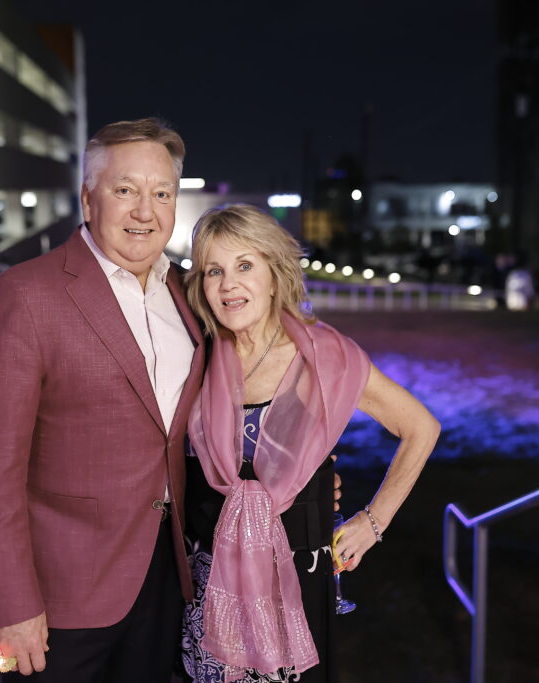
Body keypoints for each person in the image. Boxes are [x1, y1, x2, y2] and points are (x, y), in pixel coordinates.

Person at [0, 118, 207, 682]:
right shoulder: (25, 294)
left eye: (161, 193)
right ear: (88, 199)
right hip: (59, 596)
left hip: (166, 575)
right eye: (125, 190)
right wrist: (12, 603)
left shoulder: (186, 292)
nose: (146, 211)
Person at [180, 204, 440, 682]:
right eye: (214, 270)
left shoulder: (322, 356)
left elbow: (420, 427)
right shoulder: (197, 353)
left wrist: (373, 522)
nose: (228, 284)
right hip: (208, 580)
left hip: (295, 577)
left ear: (275, 275)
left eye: (244, 266)